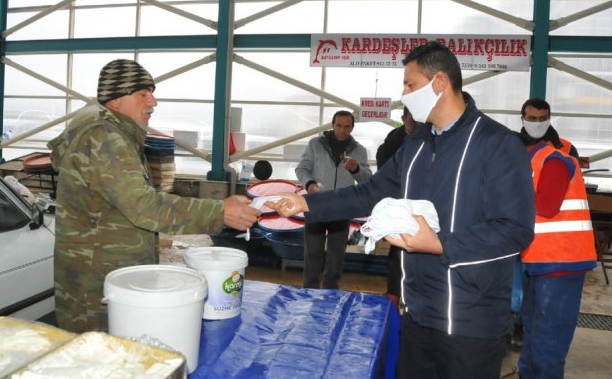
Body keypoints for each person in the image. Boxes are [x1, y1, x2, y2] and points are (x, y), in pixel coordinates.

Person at [267, 41, 535, 379]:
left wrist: (440, 244)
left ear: (440, 83)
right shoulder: (417, 144)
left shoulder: (497, 145)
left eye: (410, 85)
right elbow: (371, 193)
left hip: (471, 325)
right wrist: (306, 202)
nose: (404, 93)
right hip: (417, 315)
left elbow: (515, 230)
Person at [47, 59, 260, 333]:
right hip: (99, 290)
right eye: (143, 94)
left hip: (109, 279)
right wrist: (219, 212)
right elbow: (143, 206)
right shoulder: (104, 138)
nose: (154, 101)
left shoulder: (115, 132)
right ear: (115, 99)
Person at [517, 134, 597, 379]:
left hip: (561, 263)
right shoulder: (531, 163)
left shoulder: (554, 161)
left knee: (547, 344)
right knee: (532, 336)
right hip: (539, 263)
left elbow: (547, 205)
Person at [295, 110, 372, 289]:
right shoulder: (315, 144)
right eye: (338, 125)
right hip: (316, 205)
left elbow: (367, 179)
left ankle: (330, 293)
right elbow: (301, 169)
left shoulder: (359, 151)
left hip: (342, 207)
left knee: (336, 257)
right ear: (332, 125)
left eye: (347, 127)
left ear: (352, 128)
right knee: (313, 254)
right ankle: (310, 291)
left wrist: (356, 169)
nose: (342, 130)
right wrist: (310, 184)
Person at [375, 106, 417, 308]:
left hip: (421, 209)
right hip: (398, 205)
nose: (415, 122)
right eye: (411, 118)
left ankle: (408, 296)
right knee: (397, 251)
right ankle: (394, 293)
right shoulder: (394, 141)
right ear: (403, 118)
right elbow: (383, 173)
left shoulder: (431, 138)